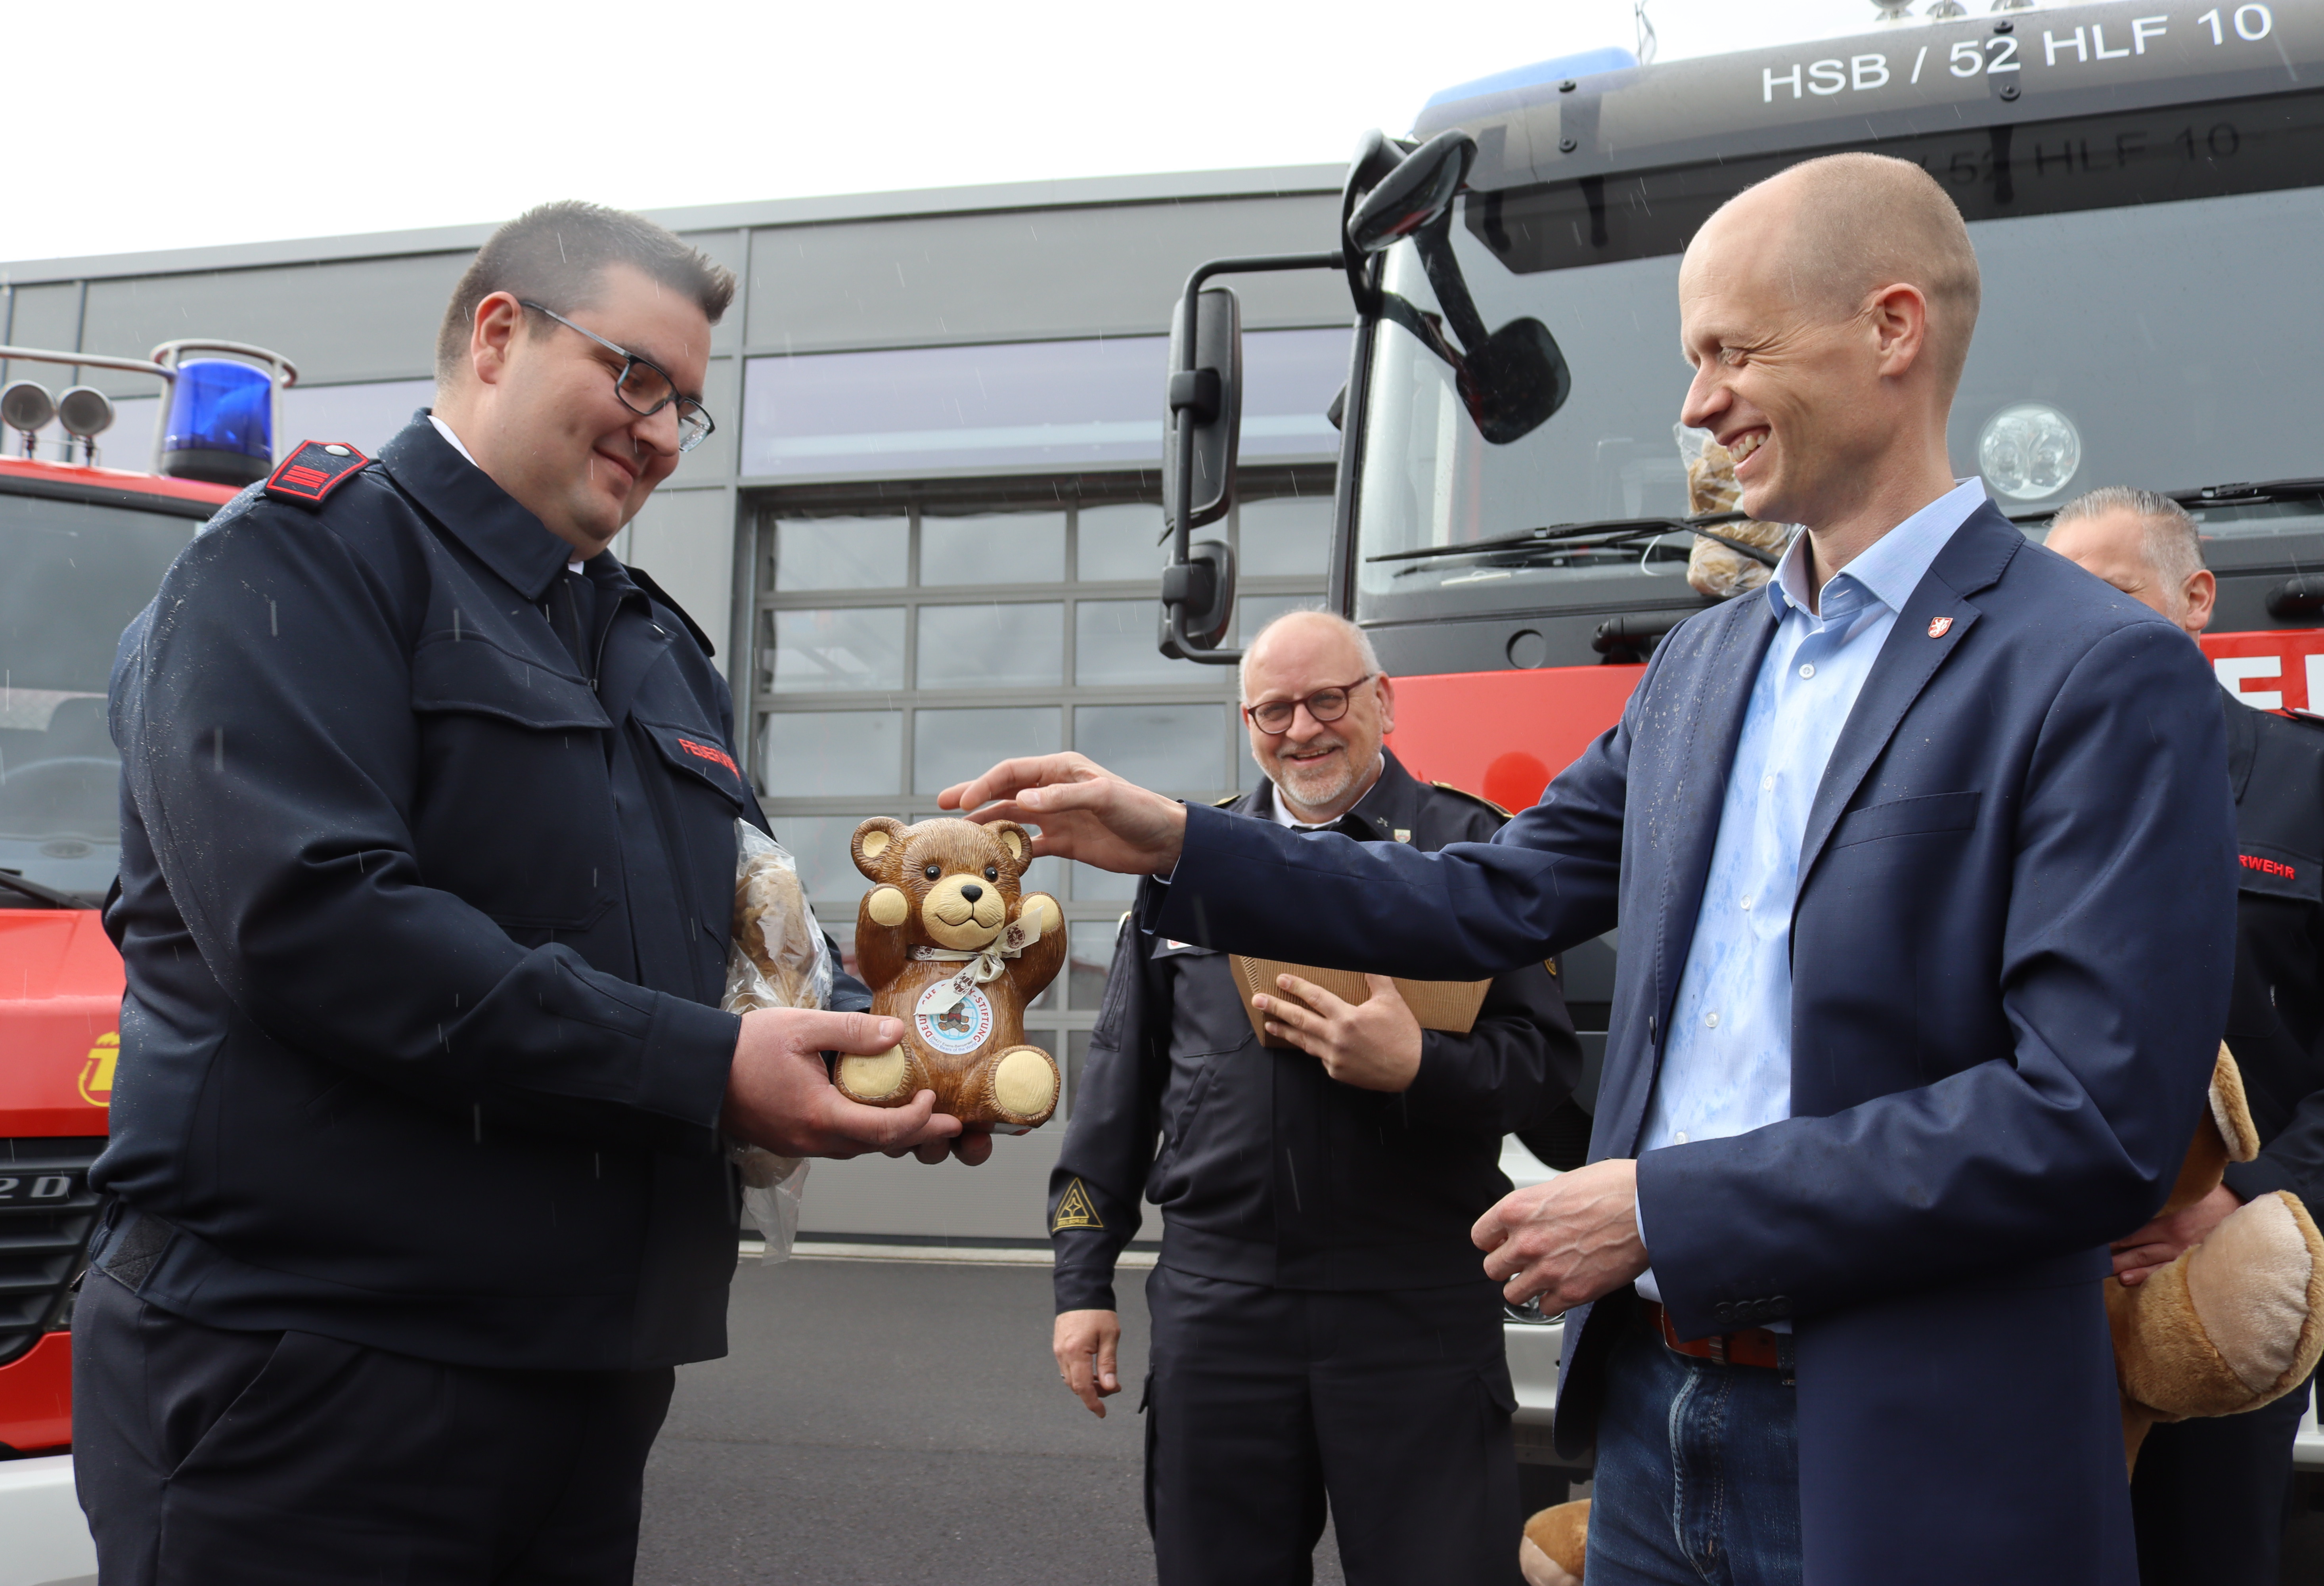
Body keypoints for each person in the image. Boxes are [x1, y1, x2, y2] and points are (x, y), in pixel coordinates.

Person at [946, 152, 2237, 1586]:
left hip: (1916, 1452)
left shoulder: (2096, 672)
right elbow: (1484, 898)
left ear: (1892, 329)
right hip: (1651, 1425)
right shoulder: (1700, 667)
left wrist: (1666, 1211)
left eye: (1732, 352)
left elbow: (2090, 1121)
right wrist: (1185, 843)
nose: (1696, 405)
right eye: (1694, 361)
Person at [78, 202, 982, 1586]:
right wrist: (709, 1071)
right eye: (637, 378)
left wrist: (892, 1049)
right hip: (323, 1374)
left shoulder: (649, 644)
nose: (664, 434)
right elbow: (315, 923)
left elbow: (735, 948)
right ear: (499, 335)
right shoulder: (299, 565)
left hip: (583, 1383)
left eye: (687, 407)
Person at [1048, 609, 1582, 1586]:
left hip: (1415, 1309)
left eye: (1328, 699)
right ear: (1248, 722)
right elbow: (1118, 1092)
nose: (1302, 729)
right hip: (1221, 1308)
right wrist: (1082, 1284)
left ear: (1384, 700)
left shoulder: (1473, 849)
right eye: (1275, 709)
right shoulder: (1186, 863)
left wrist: (1419, 1063)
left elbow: (1546, 1072)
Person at [2047, 487, 2324, 1586]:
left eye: (2114, 593)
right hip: (2038, 1293)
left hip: (2217, 1295)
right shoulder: (2009, 794)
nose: (2081, 625)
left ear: (2196, 598)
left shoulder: (2313, 783)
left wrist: (2245, 1200)